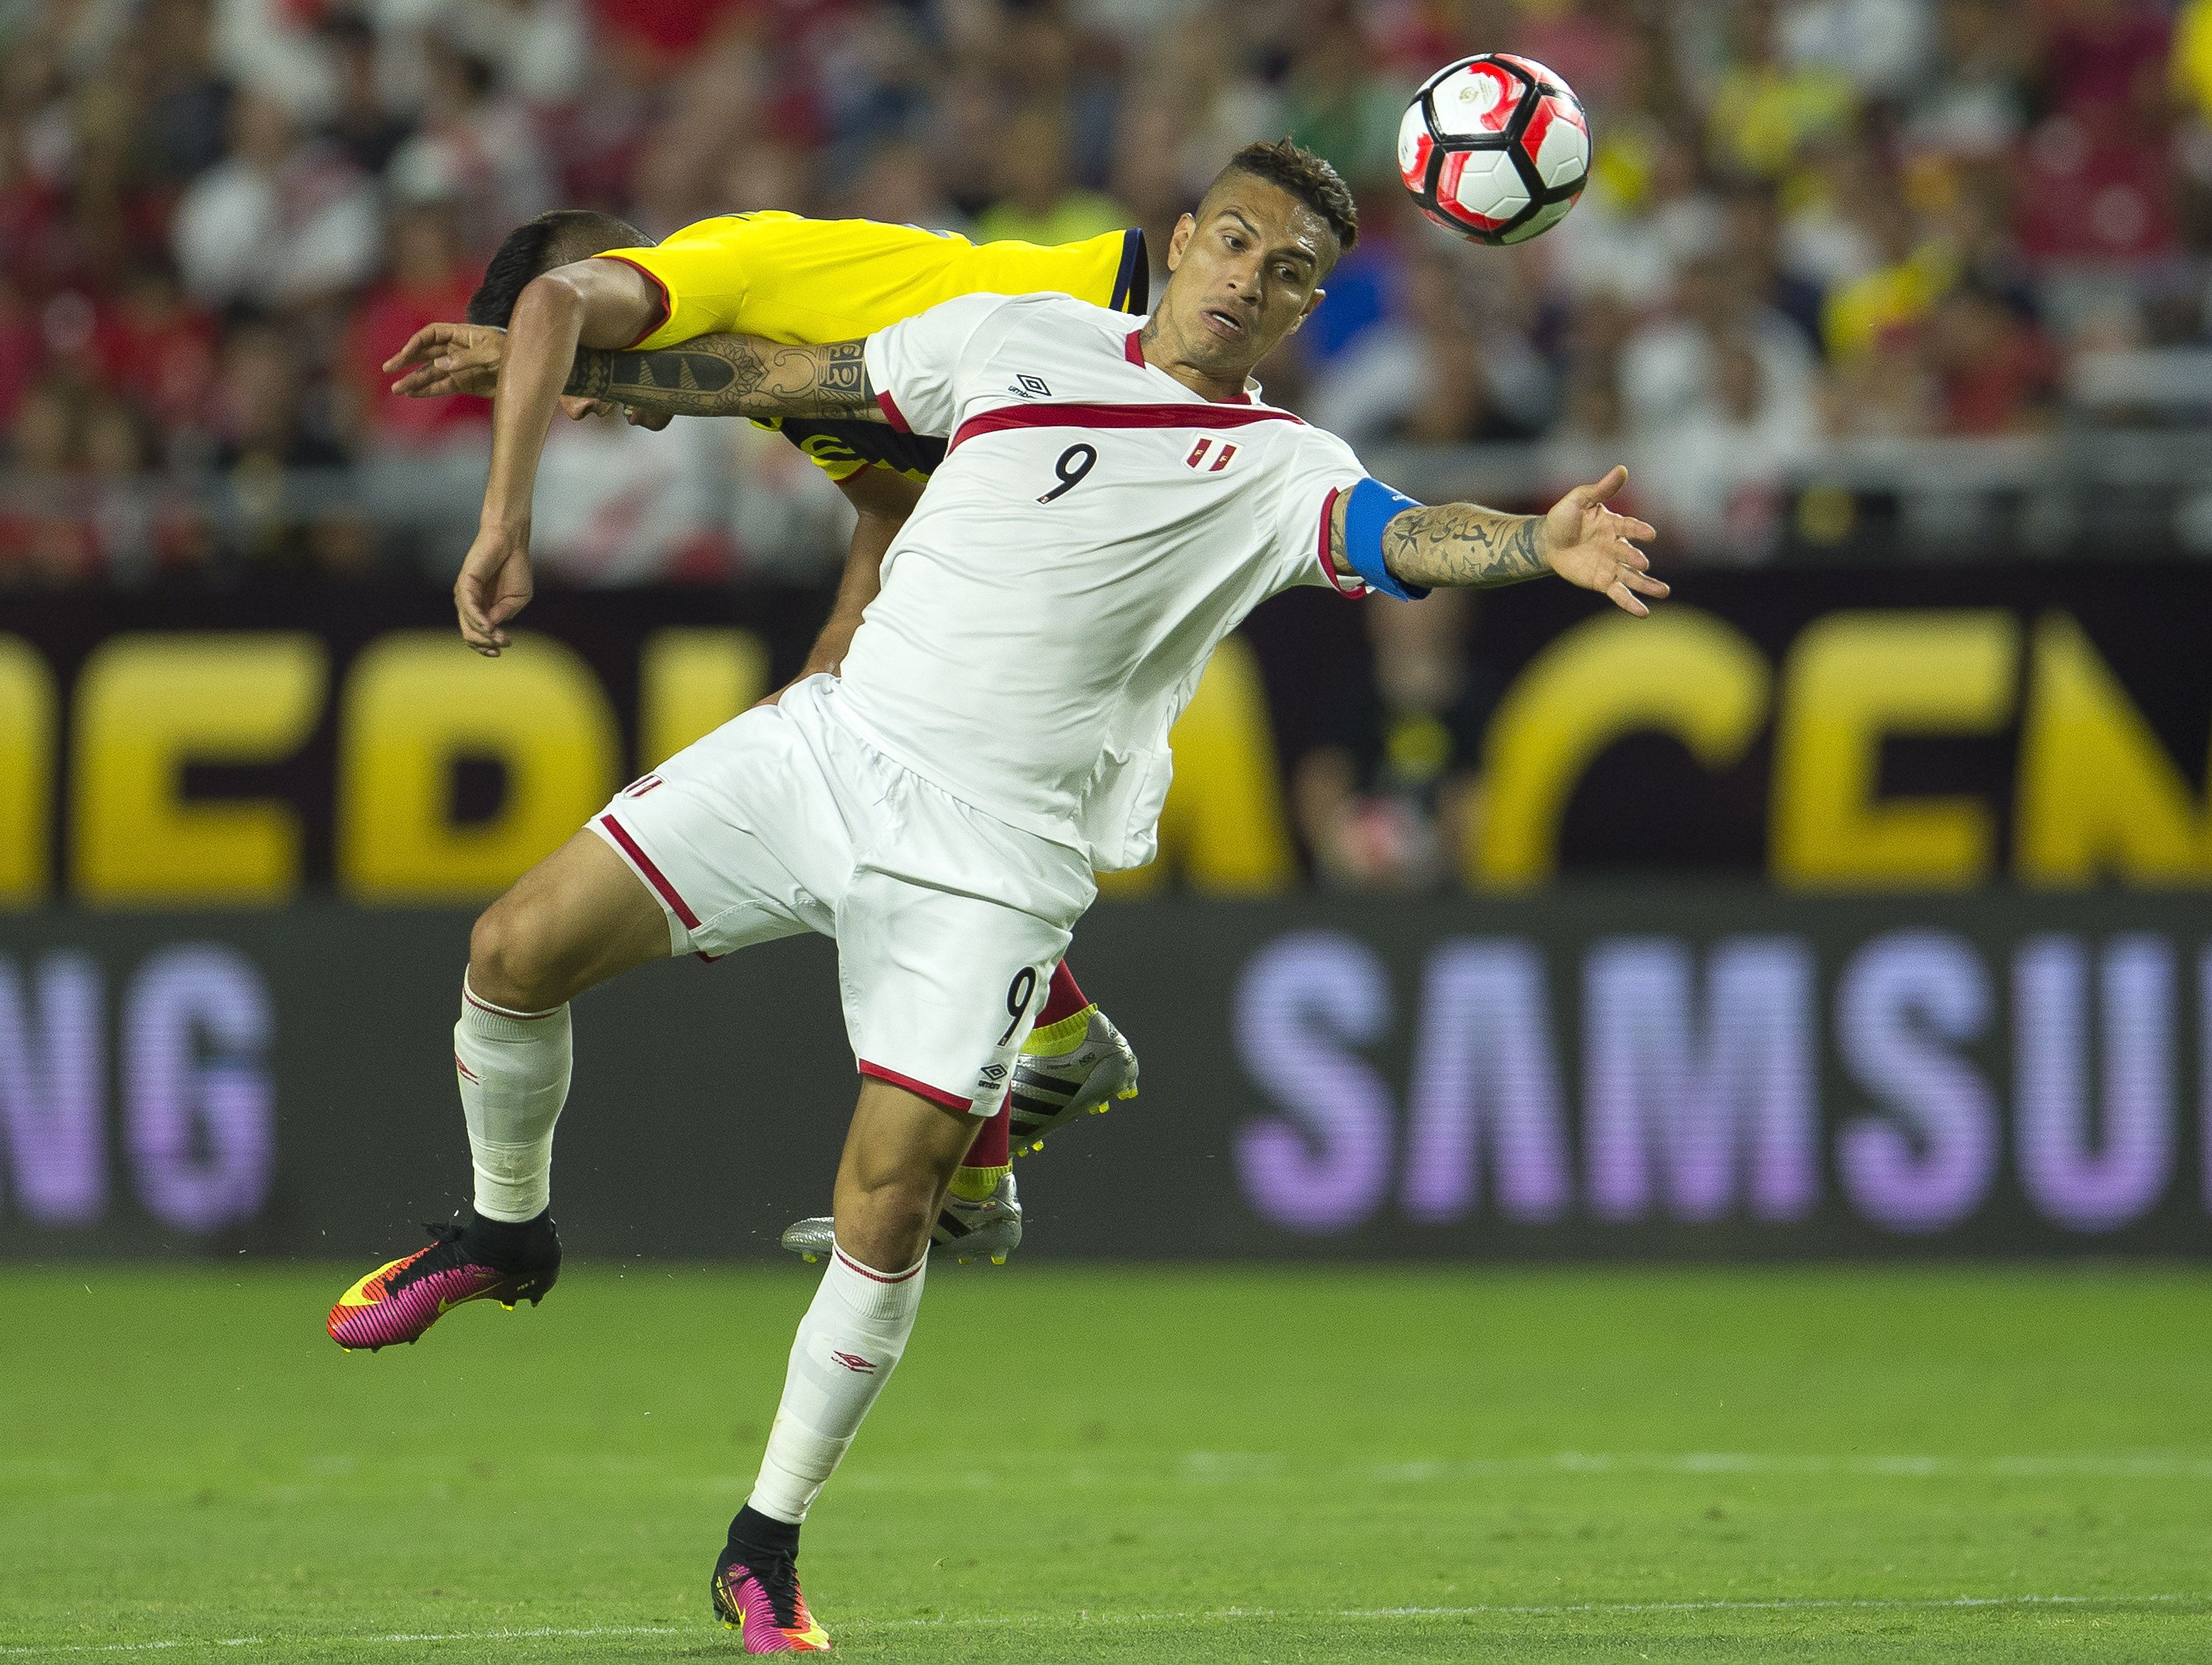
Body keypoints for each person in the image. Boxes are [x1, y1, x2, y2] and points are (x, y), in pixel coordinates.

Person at [330, 139, 1663, 1653]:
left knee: (886, 1200)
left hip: (994, 859)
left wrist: (1529, 542)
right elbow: (789, 384)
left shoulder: (1285, 464)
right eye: (1234, 242)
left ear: (1301, 311)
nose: (1249, 280)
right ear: (1178, 241)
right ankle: (506, 1234)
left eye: (1286, 272)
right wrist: (542, 354)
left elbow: (1395, 535)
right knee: (509, 949)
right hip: (828, 753)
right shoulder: (1008, 337)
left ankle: (761, 1540)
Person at [372, 204, 1157, 1268]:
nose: (572, 406)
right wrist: (832, 658)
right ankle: (1022, 1094)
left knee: (923, 796)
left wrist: (504, 523)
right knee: (890, 792)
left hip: (1132, 359)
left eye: (558, 380)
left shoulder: (720, 265)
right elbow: (899, 506)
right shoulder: (776, 369)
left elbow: (559, 302)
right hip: (1084, 471)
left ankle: (1013, 1110)